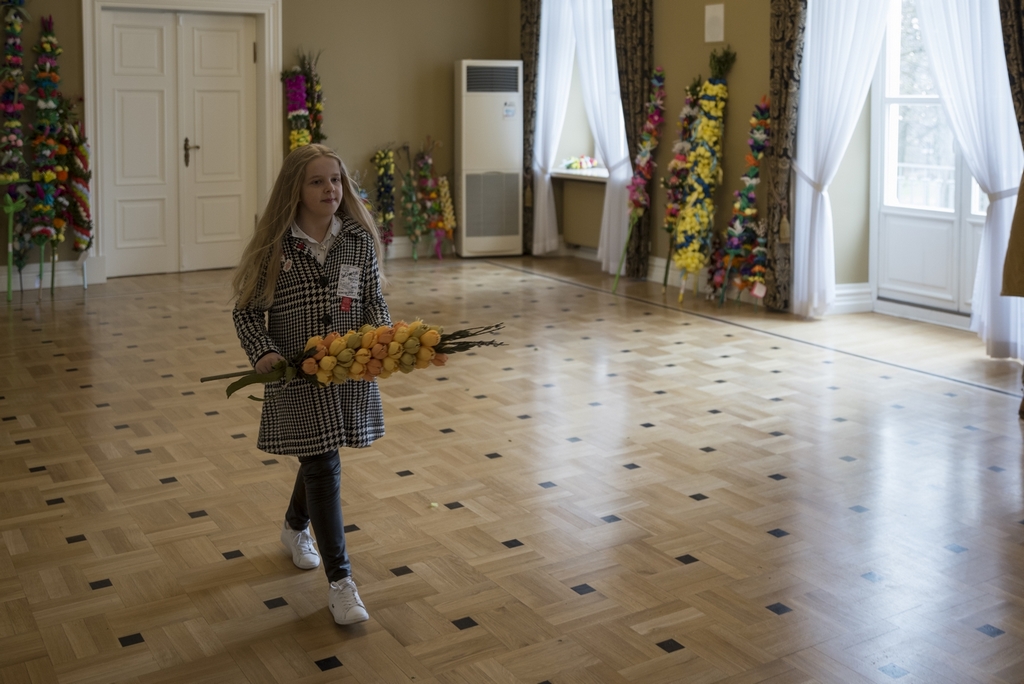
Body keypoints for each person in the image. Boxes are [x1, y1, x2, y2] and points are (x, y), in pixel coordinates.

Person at [231, 143, 389, 625]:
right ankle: (341, 583)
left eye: (336, 180)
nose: (330, 189)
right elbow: (246, 313)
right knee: (322, 462)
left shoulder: (358, 240)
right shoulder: (275, 247)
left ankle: (294, 526)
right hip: (298, 378)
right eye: (317, 181)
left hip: (348, 373)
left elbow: (373, 301)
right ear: (295, 190)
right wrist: (263, 351)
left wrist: (384, 337)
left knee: (320, 454)